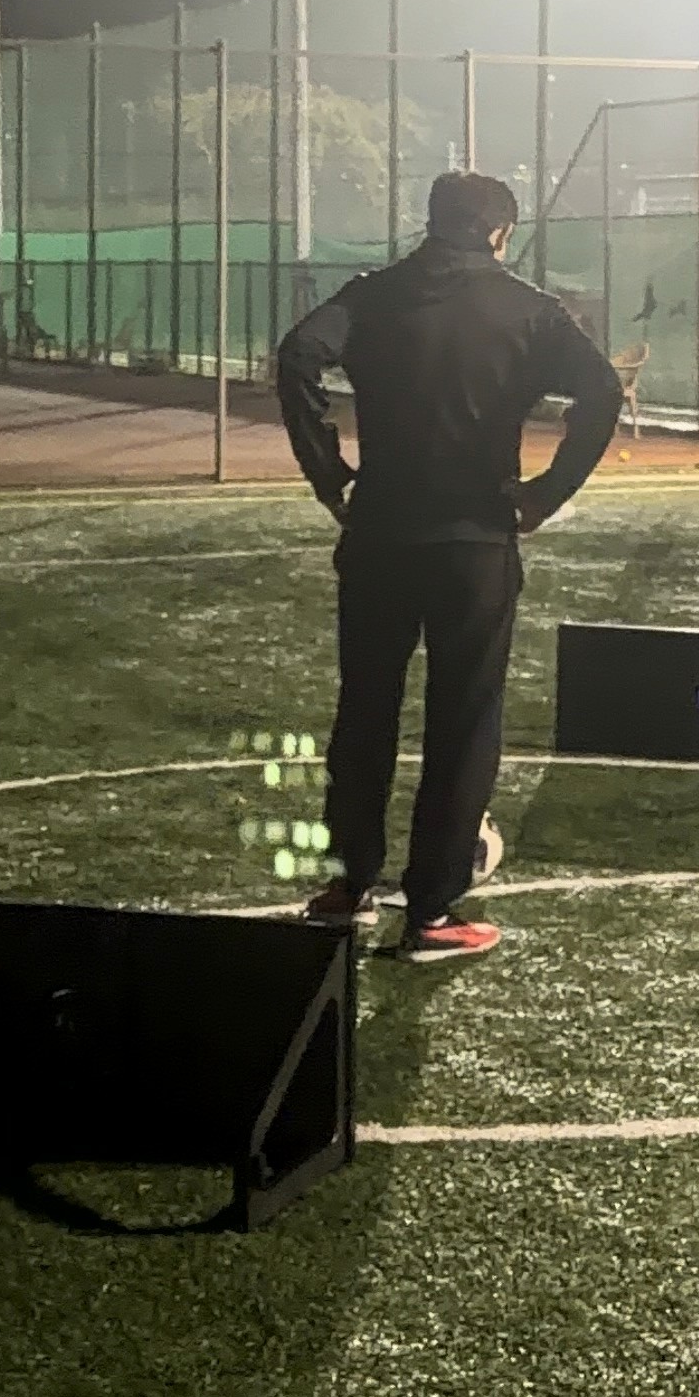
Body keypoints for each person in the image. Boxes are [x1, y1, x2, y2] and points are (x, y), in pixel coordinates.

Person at [275, 168, 624, 959]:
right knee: (464, 719)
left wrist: (330, 475)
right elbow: (601, 393)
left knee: (364, 708)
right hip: (475, 541)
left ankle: (345, 884)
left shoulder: (373, 294)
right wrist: (545, 494)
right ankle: (430, 910)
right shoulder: (530, 311)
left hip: (379, 536)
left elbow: (299, 357)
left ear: (430, 223)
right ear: (501, 232)